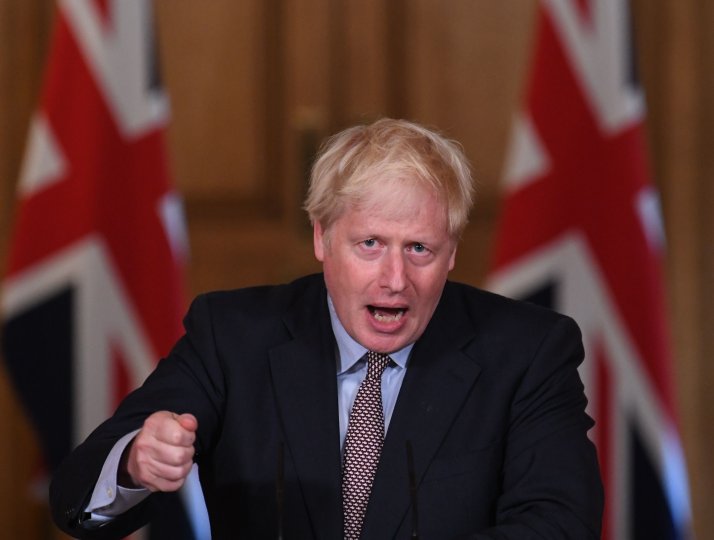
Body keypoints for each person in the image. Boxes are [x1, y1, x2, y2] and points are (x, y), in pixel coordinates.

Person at [50, 118, 603, 539]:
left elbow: (558, 523)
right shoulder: (234, 337)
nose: (395, 279)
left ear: (452, 252)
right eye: (370, 244)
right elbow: (75, 497)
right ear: (321, 238)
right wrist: (135, 461)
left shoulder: (529, 350)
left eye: (419, 249)